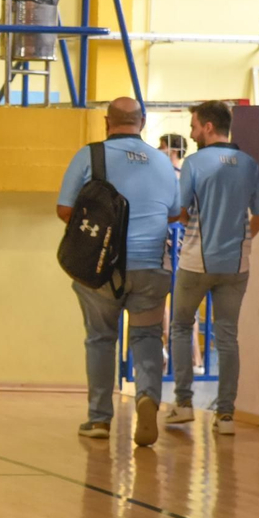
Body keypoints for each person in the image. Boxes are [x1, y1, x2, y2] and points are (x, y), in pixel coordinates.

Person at [56, 97, 180, 446]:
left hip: (101, 270)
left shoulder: (91, 156)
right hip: (152, 266)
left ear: (107, 122)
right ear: (142, 122)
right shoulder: (162, 161)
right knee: (146, 337)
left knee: (100, 339)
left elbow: (65, 209)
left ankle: (98, 419)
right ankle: (147, 397)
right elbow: (174, 212)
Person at [166, 103, 259, 435]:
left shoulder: (195, 163)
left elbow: (180, 211)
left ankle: (183, 405)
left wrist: (190, 222)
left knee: (182, 327)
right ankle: (225, 415)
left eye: (195, 126)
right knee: (227, 337)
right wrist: (243, 240)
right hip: (236, 264)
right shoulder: (250, 164)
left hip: (196, 261)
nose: (192, 132)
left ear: (209, 127)